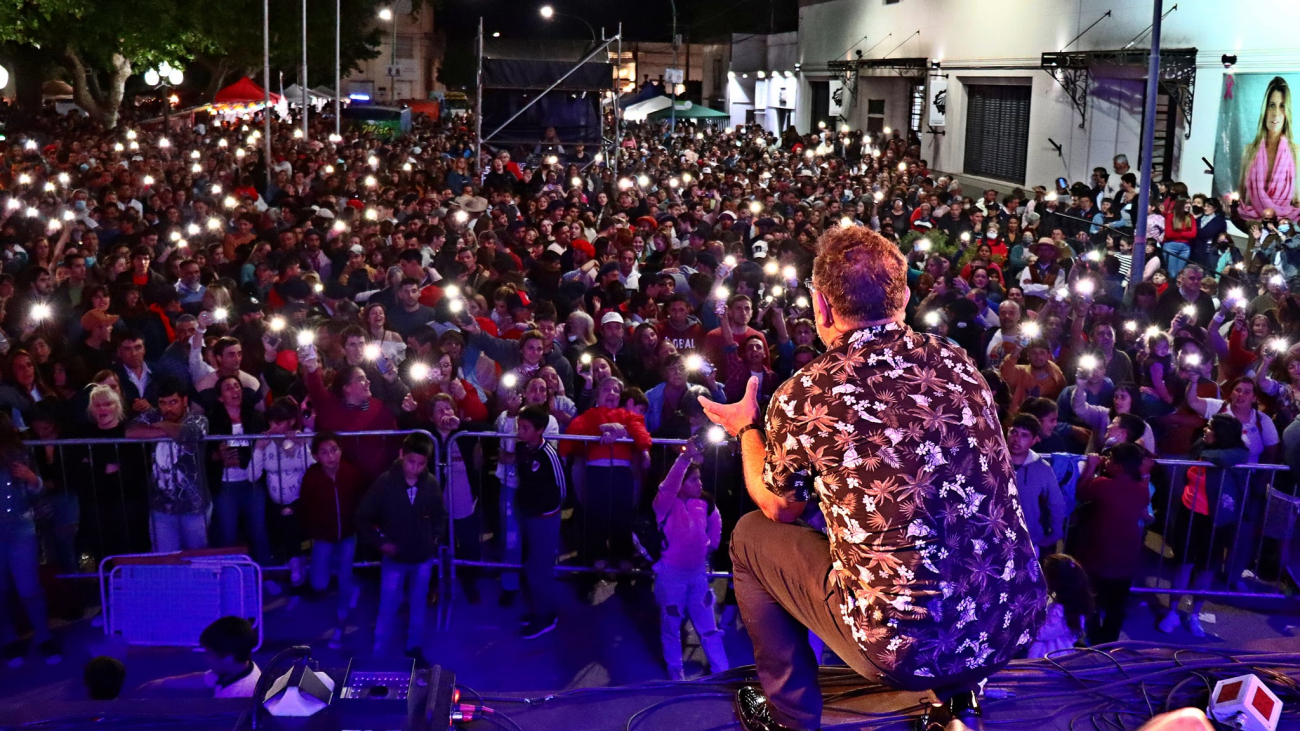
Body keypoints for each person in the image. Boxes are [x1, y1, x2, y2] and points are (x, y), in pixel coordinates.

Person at [700, 226, 1045, 731]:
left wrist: (745, 427)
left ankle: (789, 717)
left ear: (821, 306)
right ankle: (954, 705)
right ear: (904, 295)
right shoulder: (956, 361)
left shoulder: (808, 392)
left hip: (905, 649)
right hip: (1011, 620)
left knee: (752, 536)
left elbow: (779, 506)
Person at [356, 432, 445, 666]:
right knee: (387, 604)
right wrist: (380, 542)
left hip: (423, 557)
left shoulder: (432, 484)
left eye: (421, 464)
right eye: (410, 462)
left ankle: (413, 646)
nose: (414, 469)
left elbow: (440, 517)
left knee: (418, 603)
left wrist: (433, 540)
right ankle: (379, 649)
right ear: (401, 456)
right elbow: (363, 517)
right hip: (394, 559)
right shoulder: (384, 483)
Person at [1159, 414, 1249, 637]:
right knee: (1183, 564)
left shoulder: (1234, 455)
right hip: (1189, 514)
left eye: (1210, 428)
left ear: (1222, 434)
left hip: (1217, 520)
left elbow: (1240, 454)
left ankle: (1194, 614)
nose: (1205, 430)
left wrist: (1209, 456)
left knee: (1206, 569)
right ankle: (1172, 611)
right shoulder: (1200, 444)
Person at [652, 437, 728, 681]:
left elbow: (716, 521)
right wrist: (685, 458)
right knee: (671, 625)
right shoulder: (664, 503)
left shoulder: (703, 503)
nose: (699, 483)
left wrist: (711, 544)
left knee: (708, 626)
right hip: (671, 577)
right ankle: (676, 671)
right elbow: (668, 485)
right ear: (681, 483)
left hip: (698, 576)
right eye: (694, 479)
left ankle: (722, 670)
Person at [1075, 442, 1151, 645]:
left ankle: (1092, 637)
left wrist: (1091, 466)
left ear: (1118, 466)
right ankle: (1108, 643)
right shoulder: (1141, 489)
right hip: (1126, 557)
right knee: (1117, 605)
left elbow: (1081, 493)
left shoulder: (1102, 484)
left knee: (1090, 598)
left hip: (1098, 554)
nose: (1105, 461)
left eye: (1110, 459)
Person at [0, 412, 60, 667]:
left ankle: (43, 636)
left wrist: (32, 479)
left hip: (20, 528)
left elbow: (37, 491)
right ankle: (9, 639)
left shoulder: (19, 454)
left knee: (29, 589)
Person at [125, 376, 211, 553]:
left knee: (197, 559)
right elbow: (131, 431)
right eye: (163, 403)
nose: (168, 408)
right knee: (165, 560)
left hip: (194, 506)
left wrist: (162, 426)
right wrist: (170, 430)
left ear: (184, 400)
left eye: (173, 402)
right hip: (160, 507)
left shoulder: (198, 419)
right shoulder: (152, 415)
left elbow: (189, 432)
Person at [300, 432, 365, 649]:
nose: (331, 456)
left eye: (334, 450)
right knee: (319, 582)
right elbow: (306, 507)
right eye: (324, 453)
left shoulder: (351, 472)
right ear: (316, 456)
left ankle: (341, 622)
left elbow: (362, 501)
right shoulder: (312, 476)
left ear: (341, 450)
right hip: (323, 537)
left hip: (348, 534)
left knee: (344, 575)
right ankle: (350, 590)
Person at [513, 404, 566, 639]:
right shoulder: (524, 450)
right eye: (519, 427)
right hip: (529, 516)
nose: (520, 432)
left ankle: (547, 616)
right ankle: (538, 609)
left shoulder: (549, 455)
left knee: (540, 569)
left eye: (525, 428)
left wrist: (548, 510)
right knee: (531, 566)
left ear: (540, 430)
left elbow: (561, 488)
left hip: (545, 519)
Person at [1235, 76, 1300, 222]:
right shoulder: (1249, 151)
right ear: (1265, 109)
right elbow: (1241, 197)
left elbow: (1298, 200)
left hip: (1285, 230)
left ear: (1287, 112)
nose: (1276, 113)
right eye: (1272, 105)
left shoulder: (1297, 152)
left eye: (1282, 106)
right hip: (1252, 226)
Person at [1005, 413, 1067, 551]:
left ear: (1034, 440)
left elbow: (1056, 503)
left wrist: (1055, 533)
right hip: (996, 535)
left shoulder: (1042, 468)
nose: (1017, 439)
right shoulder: (992, 461)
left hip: (1028, 539)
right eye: (1014, 432)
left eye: (1024, 435)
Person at [1027, 554, 1093, 658]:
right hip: (1060, 649)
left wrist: (1029, 619)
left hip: (1049, 654)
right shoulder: (1075, 603)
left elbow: (1042, 634)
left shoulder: (1060, 611)